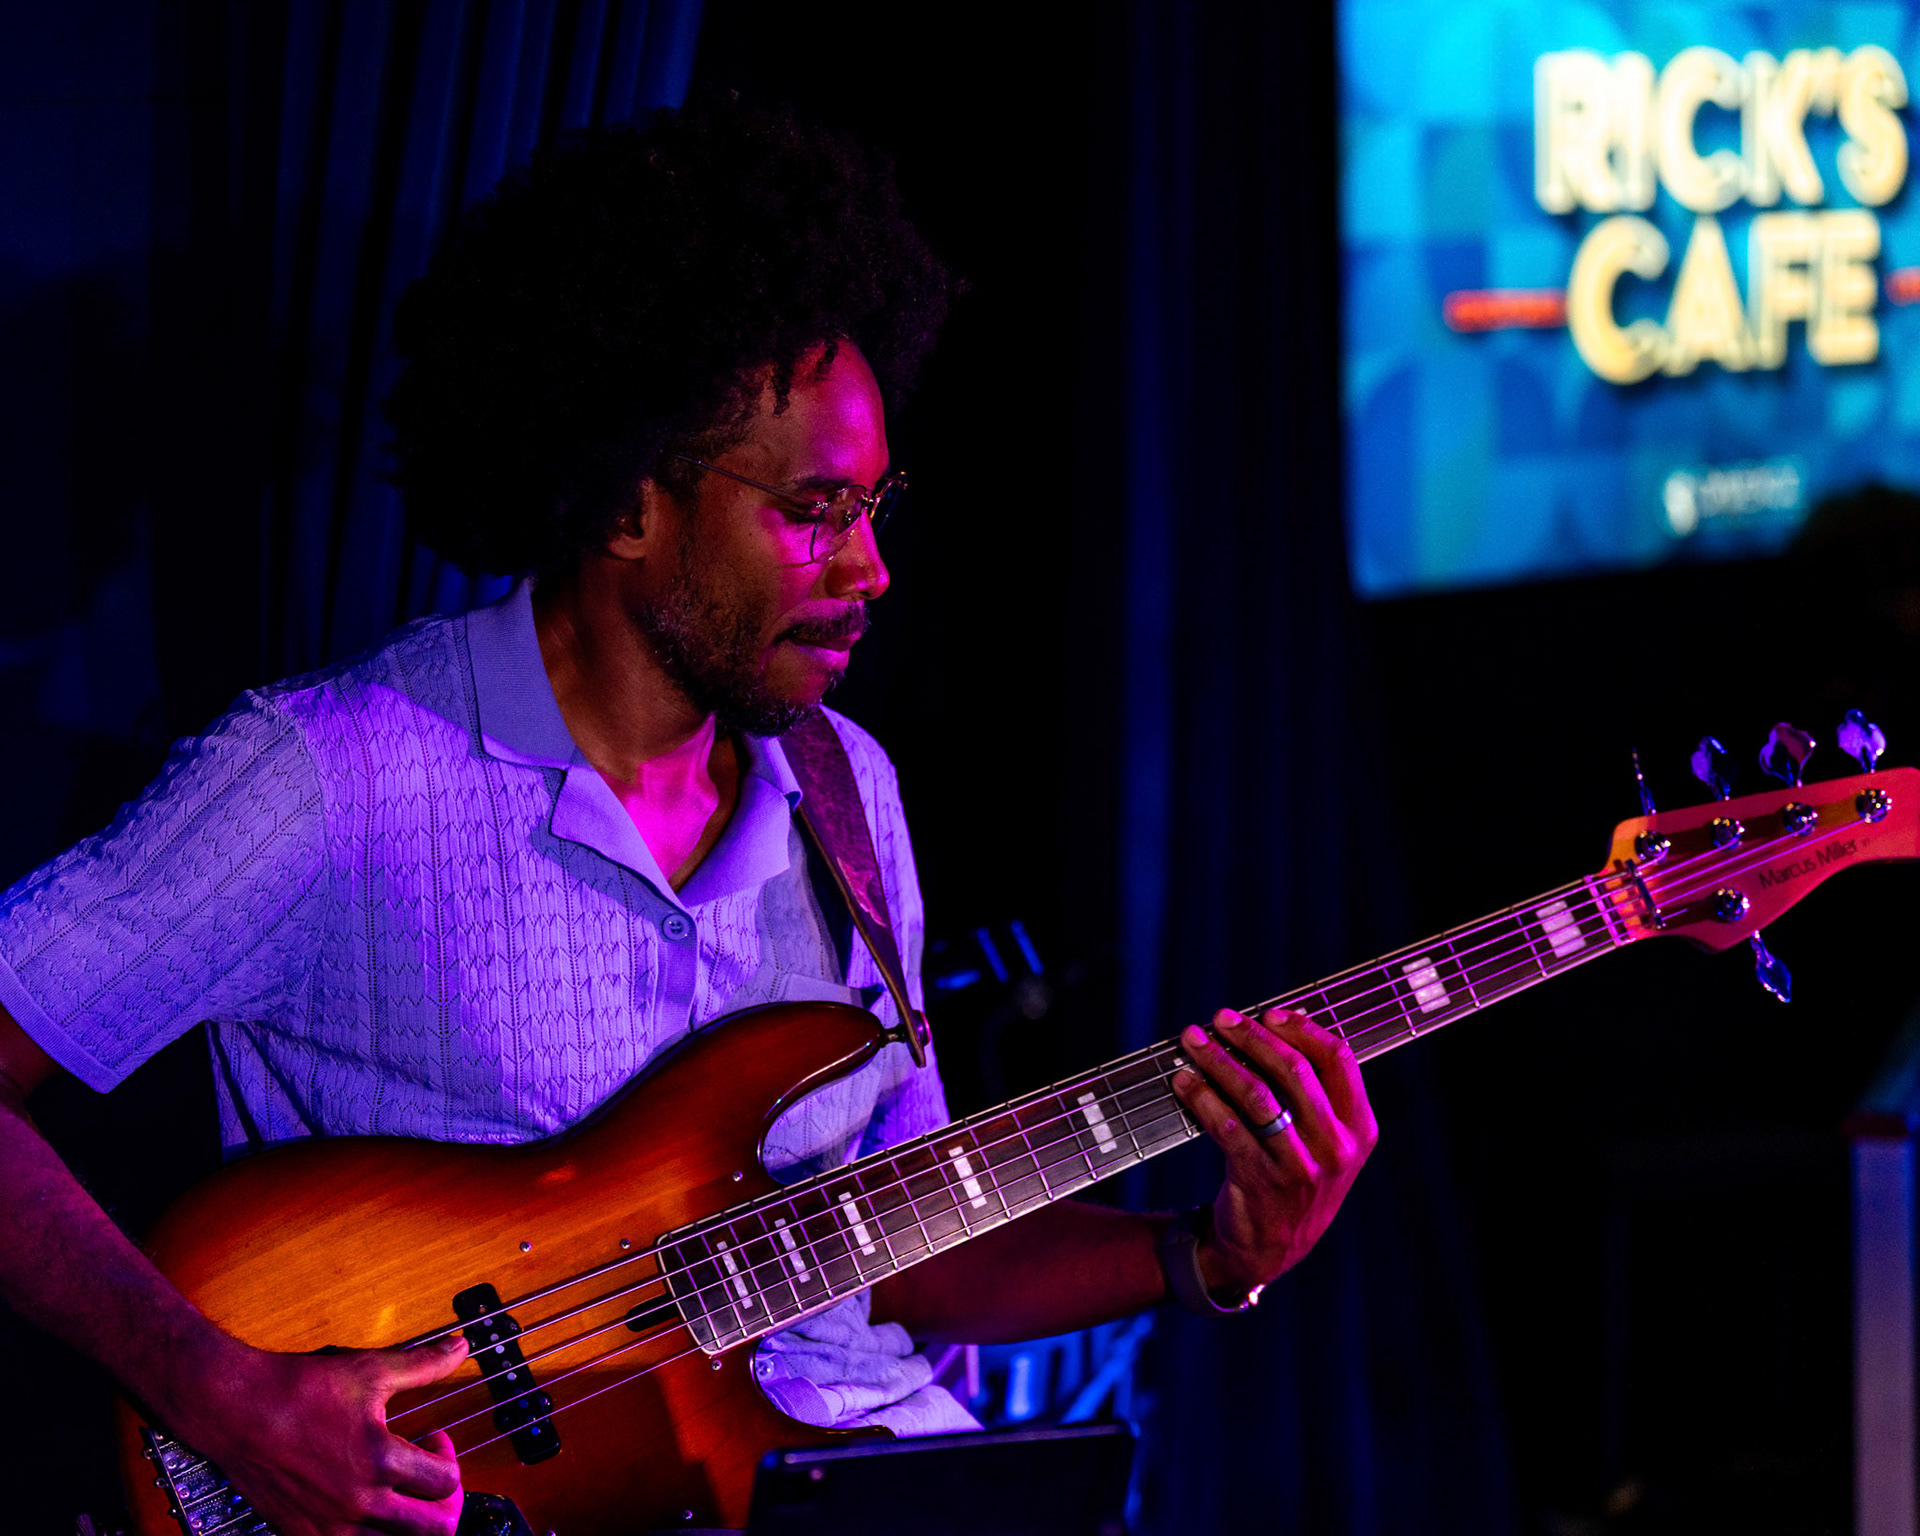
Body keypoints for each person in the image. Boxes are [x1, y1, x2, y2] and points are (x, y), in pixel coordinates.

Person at [0, 104, 1376, 1536]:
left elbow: (898, 1251)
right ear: (627, 507)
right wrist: (212, 1389)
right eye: (814, 511)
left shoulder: (849, 792)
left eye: (876, 505)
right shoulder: (332, 777)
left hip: (844, 1469)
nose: (872, 568)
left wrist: (1204, 1253)